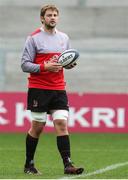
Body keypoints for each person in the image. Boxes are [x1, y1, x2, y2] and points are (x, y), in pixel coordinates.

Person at [21, 4, 84, 175]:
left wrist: (69, 65)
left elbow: (64, 62)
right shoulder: (33, 38)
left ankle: (68, 165)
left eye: (55, 15)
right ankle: (29, 164)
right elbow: (24, 65)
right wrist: (44, 67)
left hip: (58, 88)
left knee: (62, 124)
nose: (53, 17)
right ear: (42, 18)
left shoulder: (64, 38)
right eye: (49, 15)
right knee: (38, 127)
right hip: (39, 88)